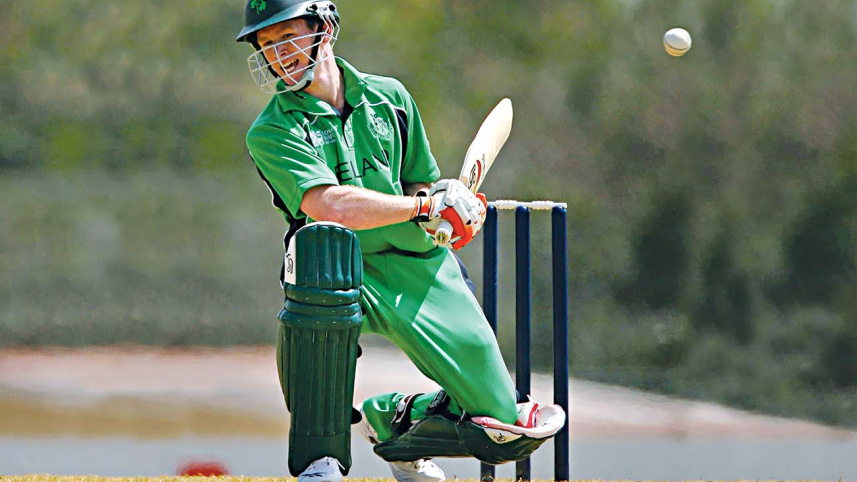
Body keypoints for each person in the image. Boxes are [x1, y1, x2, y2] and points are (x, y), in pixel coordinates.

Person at [235, 1, 566, 481]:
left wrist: (446, 207)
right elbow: (332, 207)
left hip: (419, 265)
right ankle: (319, 463)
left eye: (286, 37)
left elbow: (418, 185)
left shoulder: (389, 98)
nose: (278, 55)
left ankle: (393, 421)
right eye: (266, 45)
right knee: (320, 253)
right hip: (341, 273)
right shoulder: (272, 129)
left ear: (323, 28)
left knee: (503, 430)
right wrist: (424, 208)